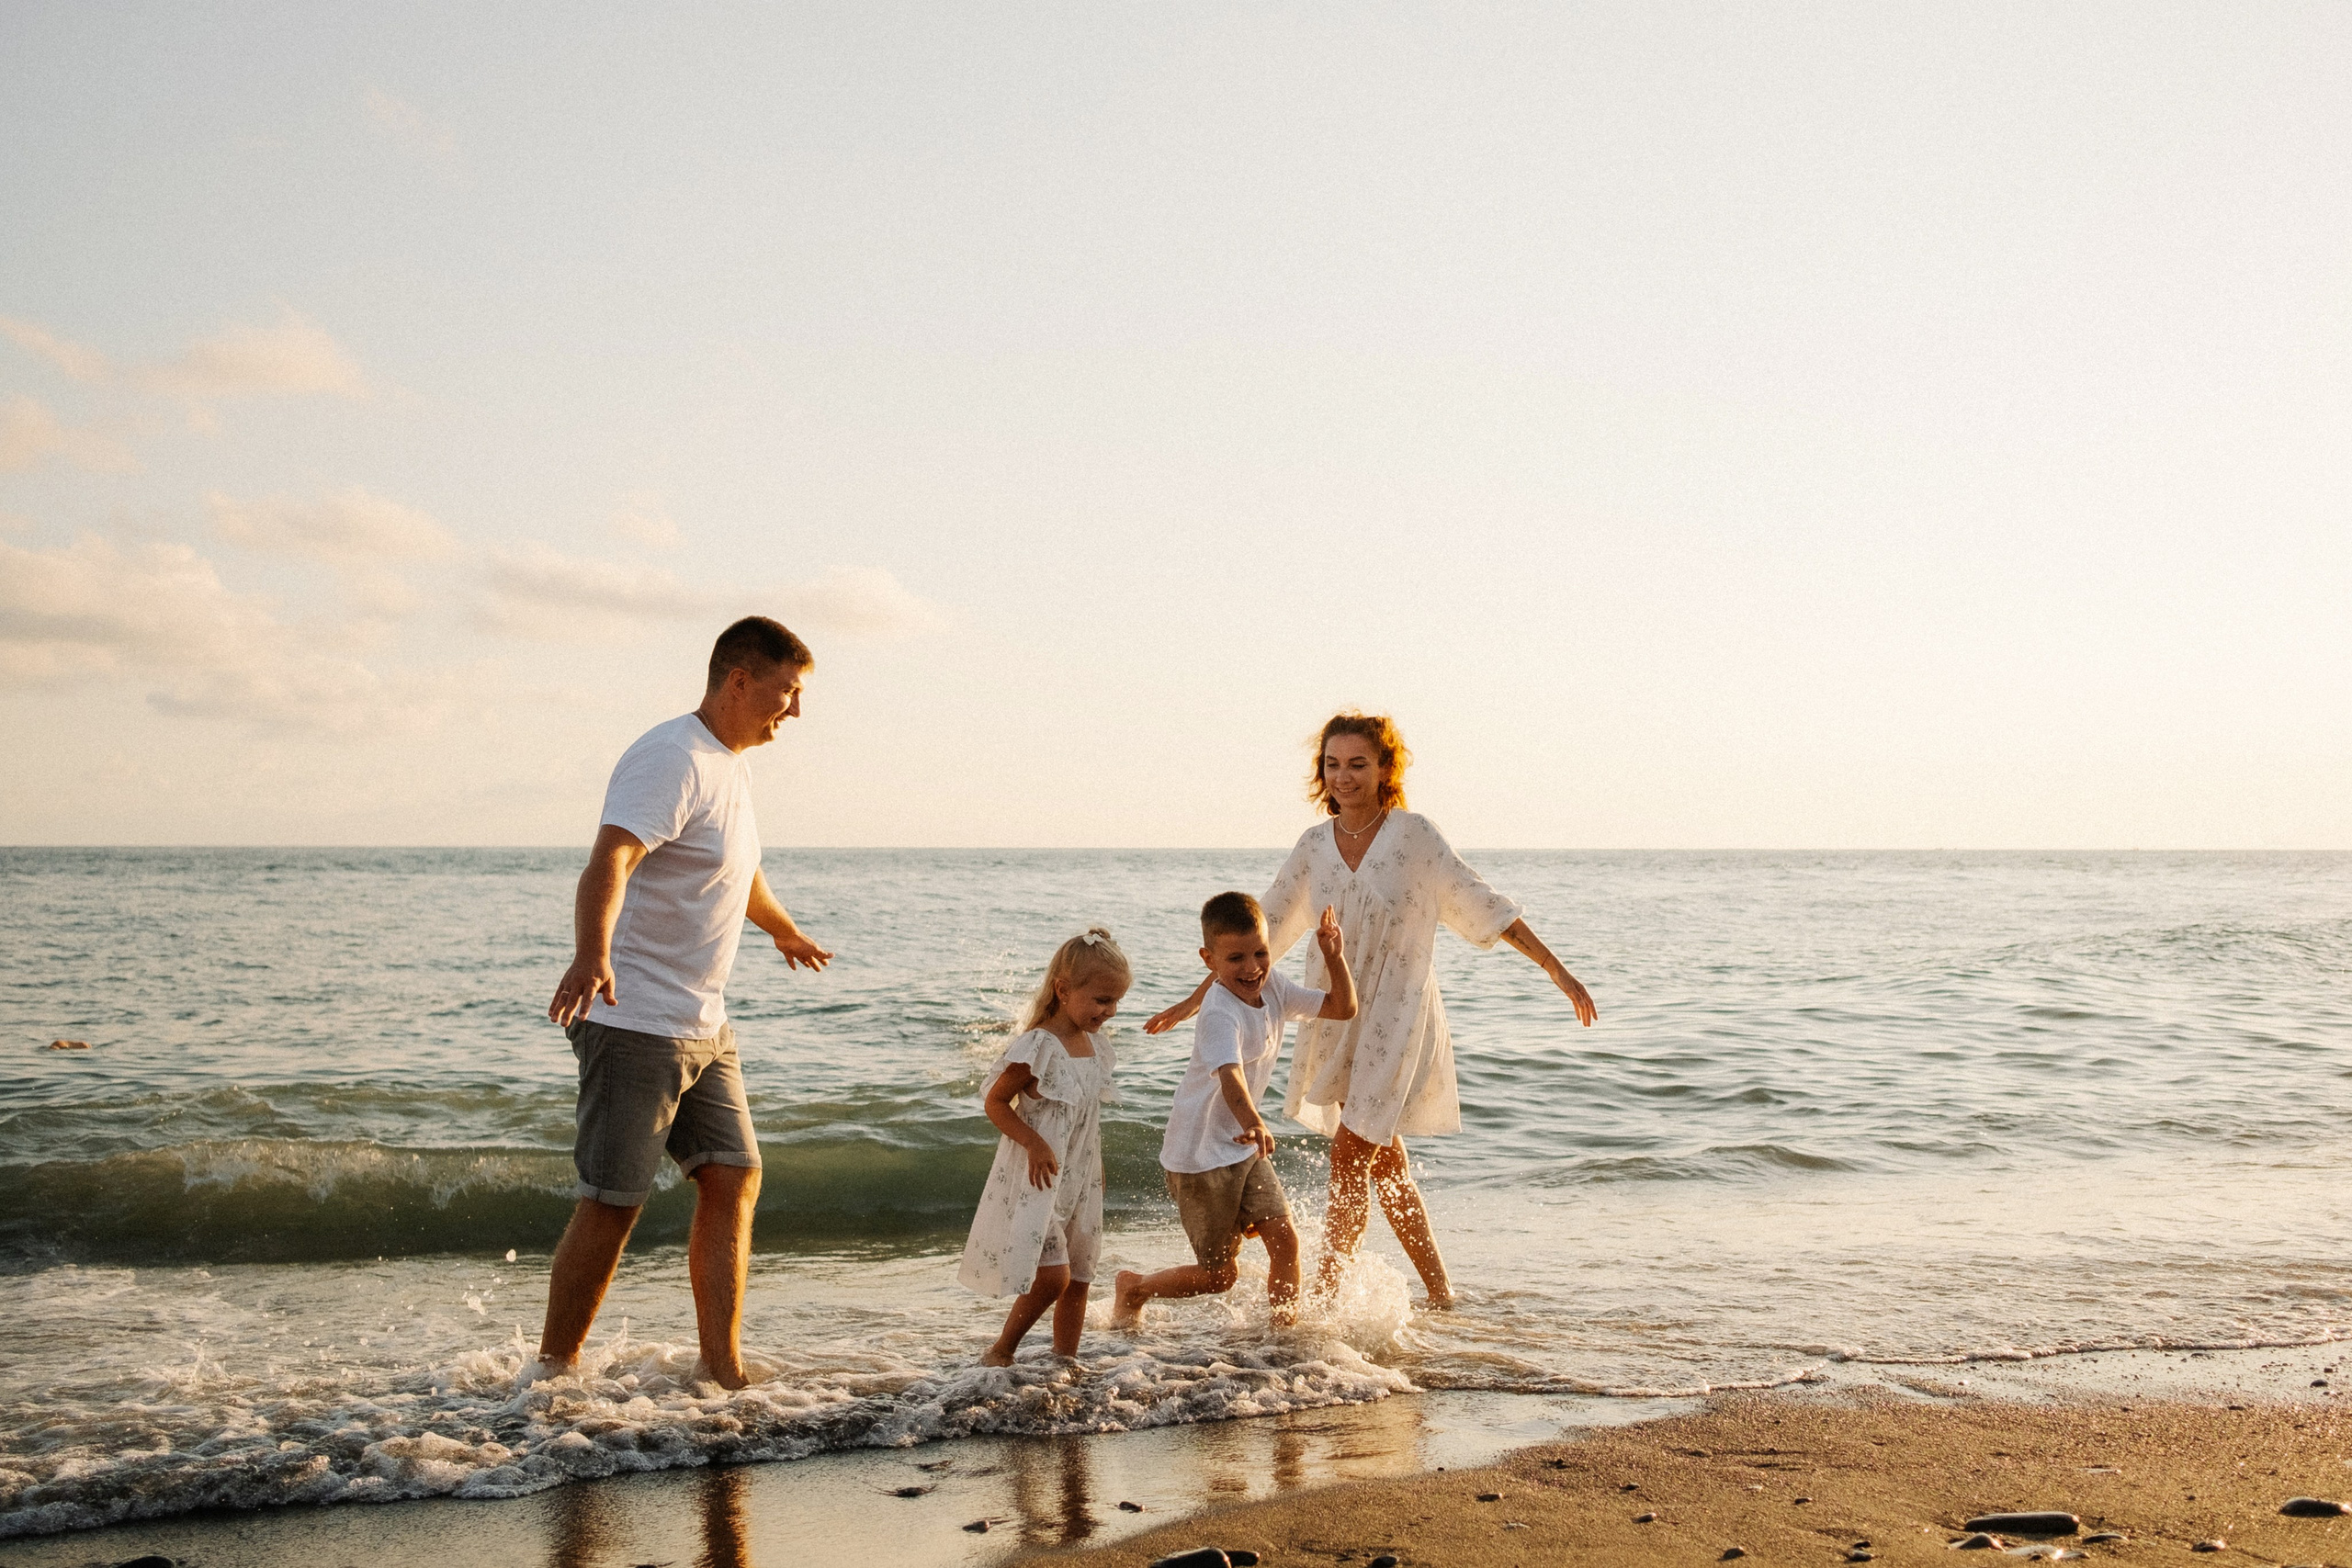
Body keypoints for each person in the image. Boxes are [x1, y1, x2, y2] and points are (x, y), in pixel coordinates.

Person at [1146, 712, 1597, 1311]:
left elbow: (1481, 902)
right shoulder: (1313, 845)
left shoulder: (1414, 836)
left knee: (1350, 1151)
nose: (1344, 776)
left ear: (1386, 768)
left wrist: (1555, 968)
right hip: (1337, 1011)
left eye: (1358, 763)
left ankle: (1326, 1303)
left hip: (1399, 1011)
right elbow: (1265, 933)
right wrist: (1195, 998)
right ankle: (1441, 1294)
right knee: (1385, 1161)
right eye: (1333, 764)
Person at [529, 615, 835, 1391]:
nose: (793, 712)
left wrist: (785, 929)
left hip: (704, 1024)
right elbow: (614, 855)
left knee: (734, 1175)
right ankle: (552, 1377)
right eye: (787, 692)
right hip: (634, 1020)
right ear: (740, 678)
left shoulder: (730, 767)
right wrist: (593, 953)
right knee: (614, 1203)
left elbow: (741, 872)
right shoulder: (671, 756)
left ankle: (720, 1368)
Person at [1113, 893, 1356, 1331]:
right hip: (1200, 1155)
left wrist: (1334, 957)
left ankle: (1283, 1338)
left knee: (1285, 1241)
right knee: (1219, 1277)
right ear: (1210, 960)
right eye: (1235, 957)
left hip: (1241, 1148)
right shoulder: (1219, 1012)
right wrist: (1255, 1122)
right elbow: (1231, 1077)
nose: (1252, 967)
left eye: (1260, 952)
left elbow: (1343, 1008)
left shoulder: (1275, 986)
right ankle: (1134, 1286)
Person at [958, 928, 1132, 1364]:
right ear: (1063, 989)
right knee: (1053, 1277)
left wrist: (1098, 1169)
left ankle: (1065, 1361)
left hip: (1081, 1181)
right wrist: (1034, 1143)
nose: (1110, 1011)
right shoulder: (1039, 1046)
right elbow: (995, 1102)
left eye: (1116, 1002)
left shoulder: (1095, 1046)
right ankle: (1001, 1350)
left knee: (1080, 1277)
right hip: (1039, 1179)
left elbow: (1086, 1121)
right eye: (1101, 1000)